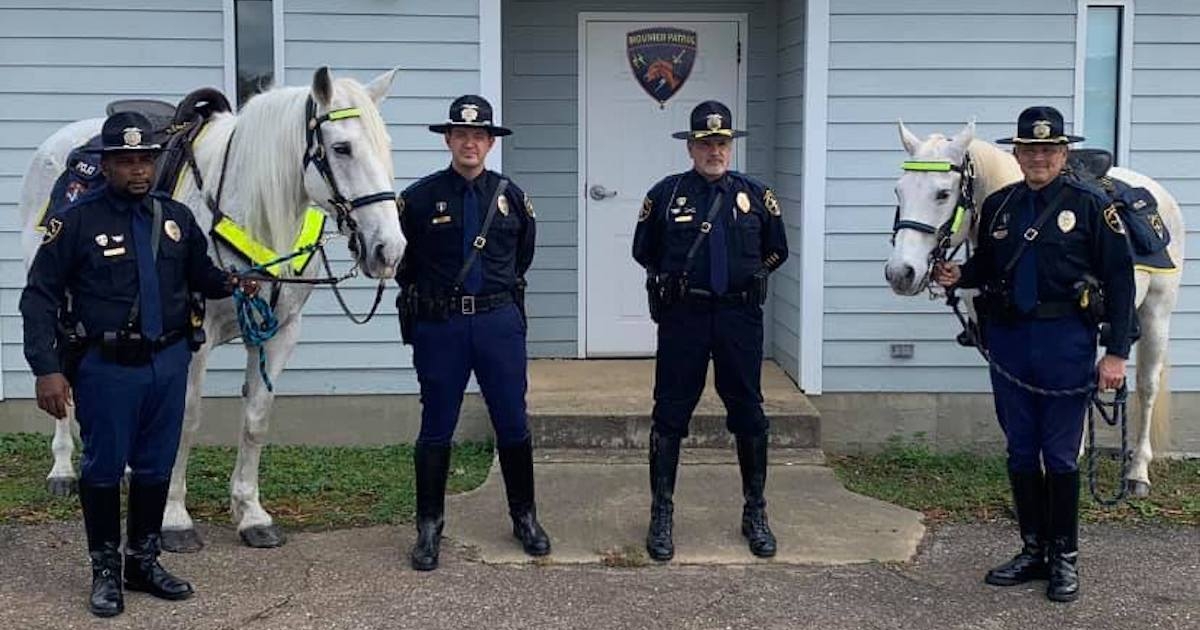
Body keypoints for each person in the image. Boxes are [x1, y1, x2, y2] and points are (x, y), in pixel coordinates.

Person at [20, 111, 256, 617]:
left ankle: (142, 562)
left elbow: (203, 275)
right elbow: (38, 297)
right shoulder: (76, 222)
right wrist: (46, 368)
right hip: (106, 368)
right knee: (104, 469)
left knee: (154, 467)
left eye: (144, 160)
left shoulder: (175, 219)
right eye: (125, 161)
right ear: (106, 166)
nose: (137, 171)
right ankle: (105, 571)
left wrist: (237, 283)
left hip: (169, 363)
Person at [933, 105, 1135, 603]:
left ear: (1063, 153)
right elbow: (987, 264)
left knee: (1060, 455)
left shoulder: (1090, 205)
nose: (1039, 157)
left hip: (1065, 340)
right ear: (1017, 154)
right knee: (1021, 449)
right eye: (1029, 150)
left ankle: (1064, 558)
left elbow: (1121, 281)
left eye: (1049, 149)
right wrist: (962, 276)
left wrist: (1115, 354)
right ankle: (1032, 549)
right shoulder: (1000, 205)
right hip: (1009, 340)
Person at [396, 95, 549, 571]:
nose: (470, 143)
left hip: (498, 324)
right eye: (461, 135)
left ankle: (524, 517)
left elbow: (522, 257)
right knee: (437, 425)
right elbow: (403, 266)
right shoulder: (418, 199)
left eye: (478, 135)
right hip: (440, 326)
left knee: (512, 421)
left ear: (489, 142)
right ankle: (429, 526)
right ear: (448, 139)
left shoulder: (512, 197)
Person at [632, 100, 788, 561]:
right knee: (670, 415)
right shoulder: (665, 195)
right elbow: (645, 250)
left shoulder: (757, 195)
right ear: (691, 147)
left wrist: (753, 274)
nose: (713, 151)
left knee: (748, 413)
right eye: (705, 143)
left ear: (730, 146)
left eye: (721, 143)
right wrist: (671, 276)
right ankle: (661, 513)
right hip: (685, 318)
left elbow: (777, 250)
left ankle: (755, 511)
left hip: (740, 318)